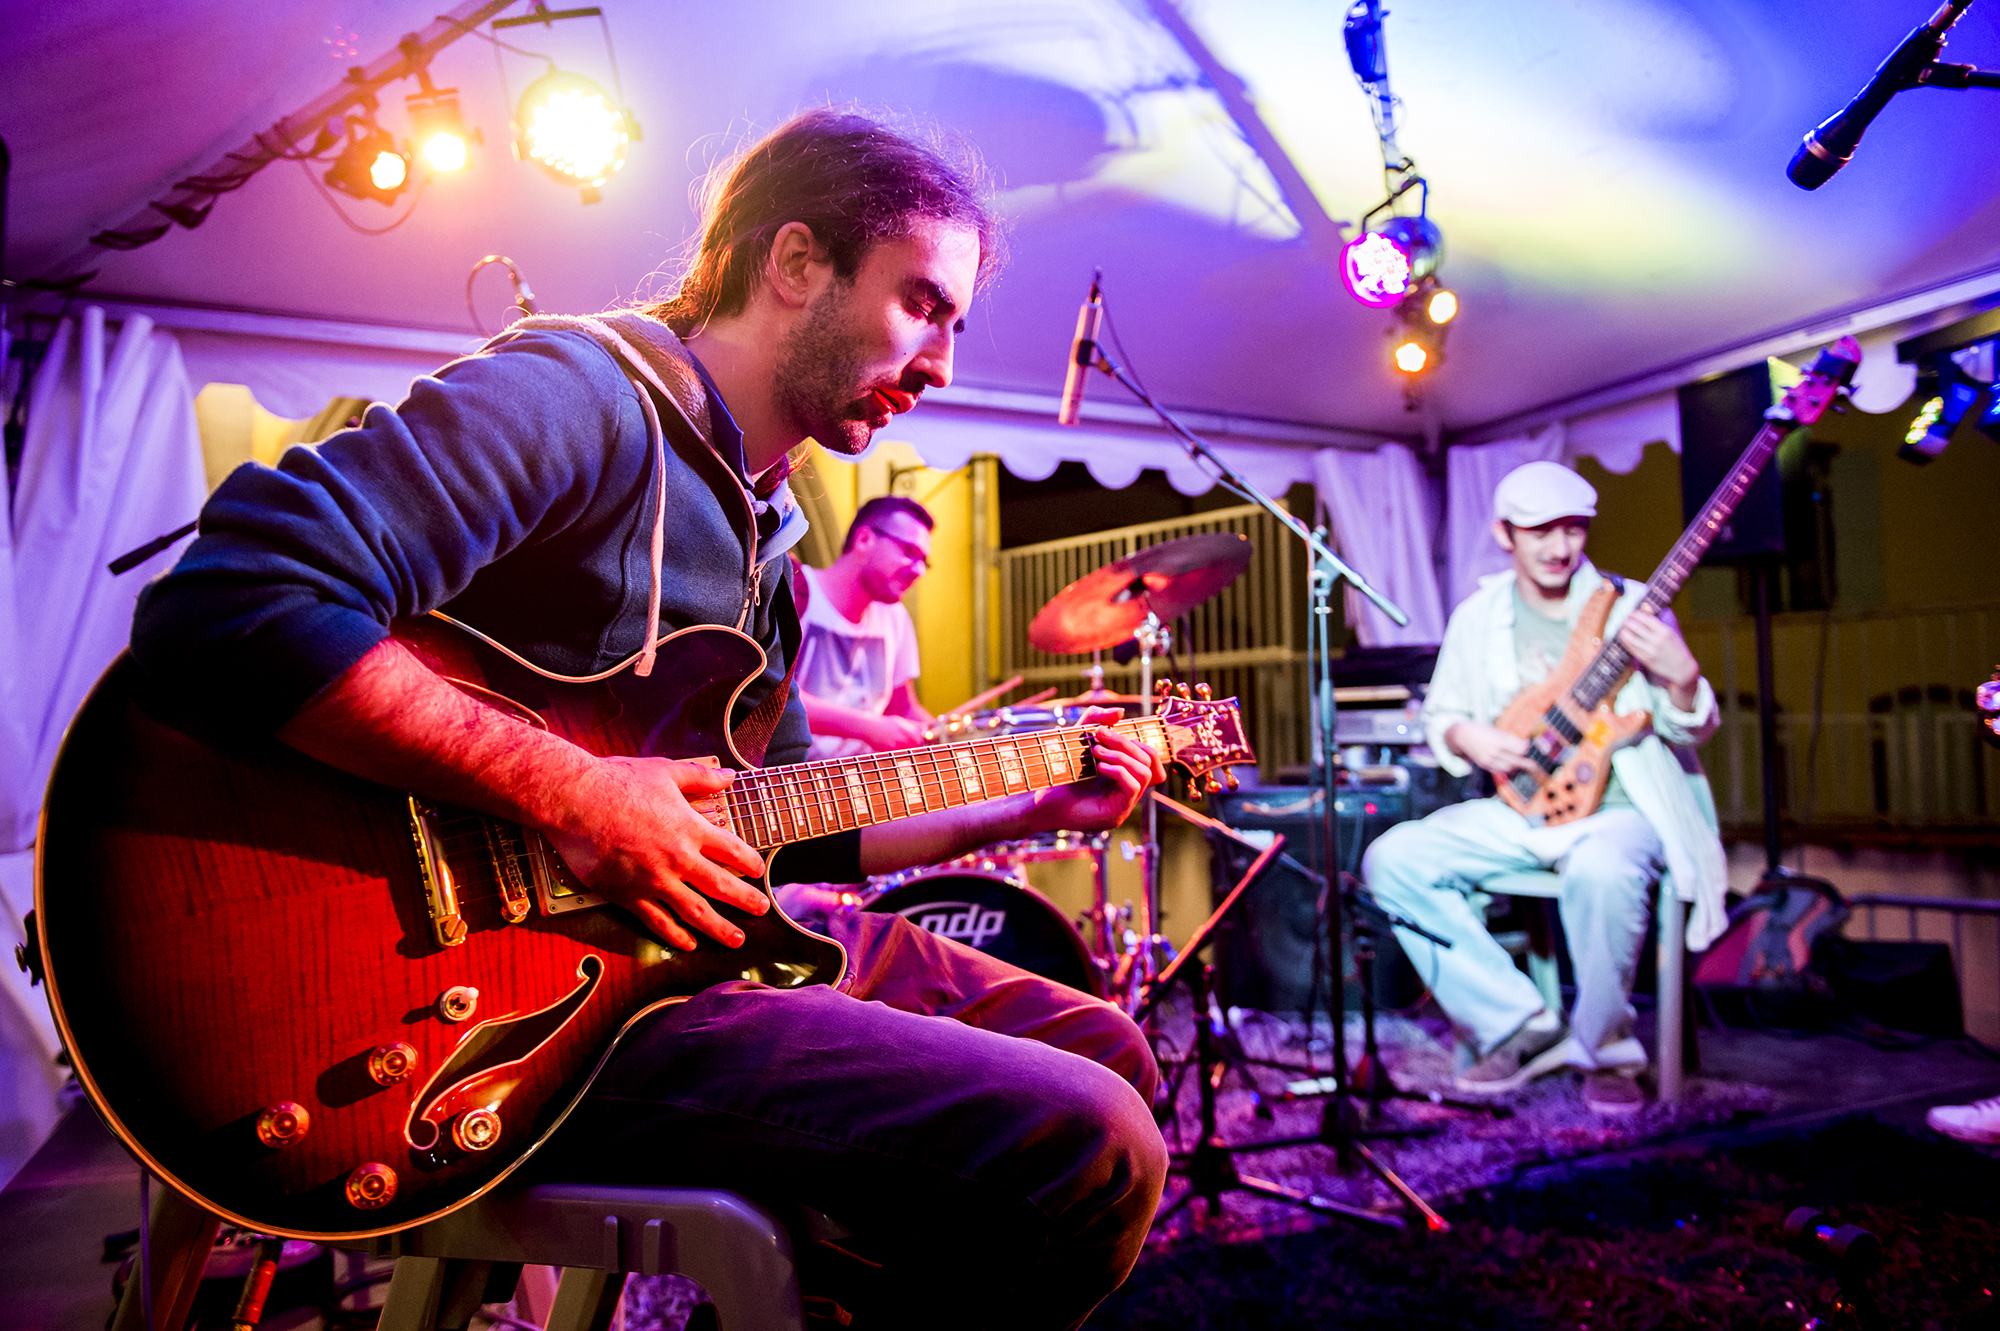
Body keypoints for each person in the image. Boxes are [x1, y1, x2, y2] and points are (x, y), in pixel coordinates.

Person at [130, 109, 1167, 1331]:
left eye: (954, 324)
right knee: (1087, 1141)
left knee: (1109, 1048)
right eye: (921, 305)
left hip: (673, 949)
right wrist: (572, 789)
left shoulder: (768, 538)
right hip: (483, 997)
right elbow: (235, 597)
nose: (941, 364)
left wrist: (1017, 807)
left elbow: (782, 823)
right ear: (795, 263)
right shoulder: (579, 395)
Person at [1362, 460, 1726, 1114]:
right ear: (1504, 534)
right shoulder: (1478, 617)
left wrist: (1682, 679)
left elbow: (1689, 729)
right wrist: (1470, 738)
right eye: (1540, 531)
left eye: (1573, 529)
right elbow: (1444, 716)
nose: (1559, 547)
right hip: (1521, 808)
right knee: (1393, 858)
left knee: (1603, 870)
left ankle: (1605, 1050)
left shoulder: (1631, 606)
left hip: (1620, 811)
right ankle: (1517, 1022)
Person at [796, 495, 936, 758]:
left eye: (924, 561)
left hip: (867, 777)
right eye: (909, 552)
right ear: (864, 540)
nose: (919, 571)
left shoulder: (894, 616)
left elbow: (903, 708)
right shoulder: (796, 590)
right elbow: (773, 699)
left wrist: (944, 735)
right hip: (795, 776)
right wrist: (869, 727)